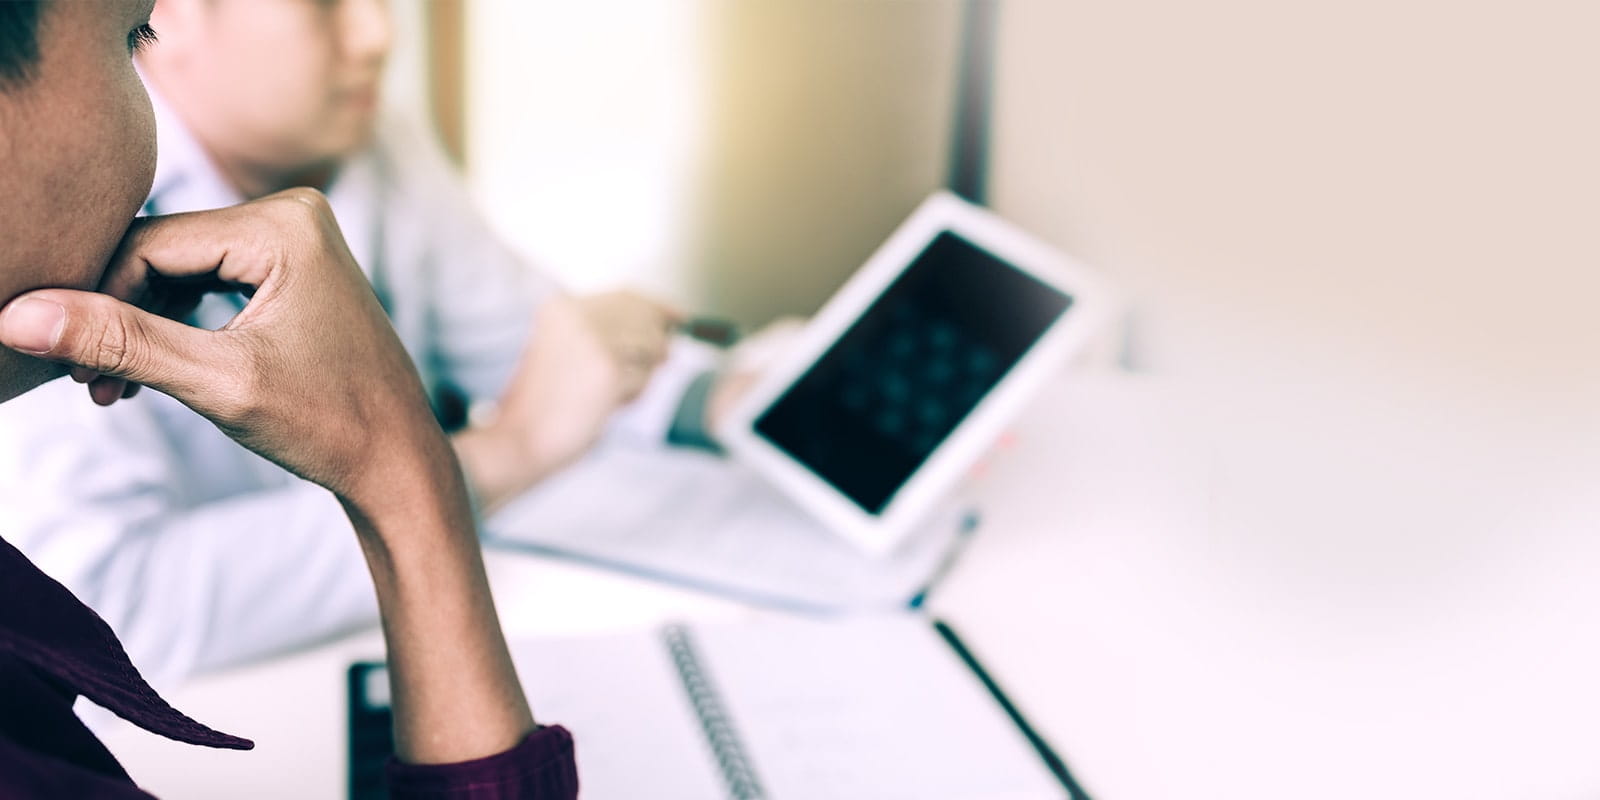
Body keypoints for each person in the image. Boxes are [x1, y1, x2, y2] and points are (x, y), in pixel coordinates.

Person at [0, 0, 727, 686]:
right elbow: (109, 606)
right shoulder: (54, 207)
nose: (378, 35)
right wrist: (503, 453)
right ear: (175, 12)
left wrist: (718, 398)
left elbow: (545, 352)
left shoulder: (362, 138)